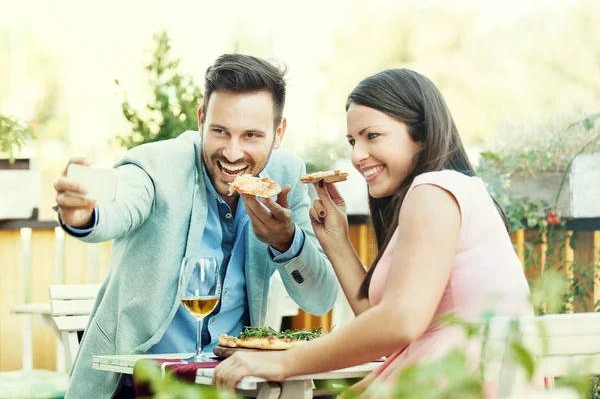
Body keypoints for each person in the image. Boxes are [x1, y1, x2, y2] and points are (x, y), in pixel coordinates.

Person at [212, 68, 533, 398]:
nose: (357, 155)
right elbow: (380, 320)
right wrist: (336, 242)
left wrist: (282, 363)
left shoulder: (433, 191)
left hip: (451, 384)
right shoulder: (455, 189)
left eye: (372, 136)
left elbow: (400, 323)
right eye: (353, 141)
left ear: (420, 132)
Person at [53, 54, 338, 398]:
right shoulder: (159, 164)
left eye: (251, 135)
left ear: (278, 133)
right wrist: (85, 215)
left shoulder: (285, 175)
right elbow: (122, 200)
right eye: (220, 131)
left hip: (230, 386)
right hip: (137, 384)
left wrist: (287, 243)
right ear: (202, 120)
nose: (233, 153)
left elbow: (320, 299)